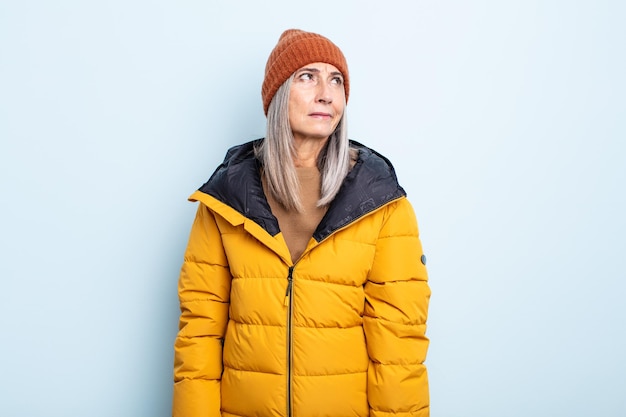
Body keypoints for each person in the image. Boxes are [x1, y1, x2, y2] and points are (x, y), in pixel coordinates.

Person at [172, 29, 431, 417]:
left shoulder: (382, 203)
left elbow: (398, 347)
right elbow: (200, 333)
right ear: (278, 95)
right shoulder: (225, 200)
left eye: (336, 80)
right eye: (307, 76)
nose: (325, 92)